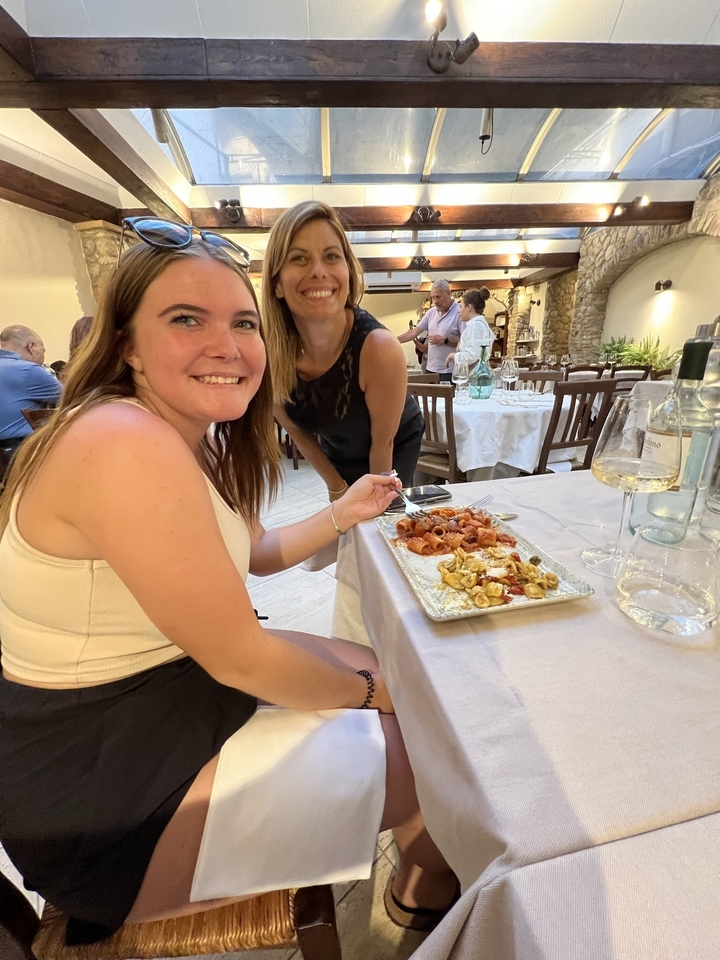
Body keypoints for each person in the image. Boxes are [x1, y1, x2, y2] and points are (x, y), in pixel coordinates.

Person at [0, 228, 457, 946]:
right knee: (435, 733)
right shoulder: (120, 439)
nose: (229, 344)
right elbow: (241, 658)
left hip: (160, 689)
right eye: (187, 319)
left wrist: (342, 511)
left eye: (242, 323)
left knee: (406, 679)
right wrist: (381, 696)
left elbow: (254, 552)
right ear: (125, 343)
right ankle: (424, 880)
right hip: (98, 782)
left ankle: (420, 869)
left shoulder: (190, 431)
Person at [263, 201, 425, 497]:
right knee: (344, 519)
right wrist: (336, 487)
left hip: (392, 443)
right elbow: (297, 431)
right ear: (276, 284)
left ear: (348, 274)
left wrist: (375, 505)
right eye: (299, 258)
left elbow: (382, 444)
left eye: (331, 256)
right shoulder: (269, 355)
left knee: (381, 520)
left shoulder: (378, 348)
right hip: (338, 443)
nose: (318, 271)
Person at [0, 324, 61, 458]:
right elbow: (74, 397)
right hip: (17, 452)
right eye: (43, 350)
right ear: (31, 346)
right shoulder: (28, 370)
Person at [397, 280, 462, 381]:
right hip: (430, 369)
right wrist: (392, 340)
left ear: (448, 293)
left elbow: (465, 342)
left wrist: (445, 340)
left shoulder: (460, 312)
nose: (435, 301)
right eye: (433, 297)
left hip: (450, 371)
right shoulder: (431, 313)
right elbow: (413, 332)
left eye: (438, 297)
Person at [446, 288, 495, 369]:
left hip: (473, 376)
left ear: (469, 307)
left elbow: (472, 355)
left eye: (461, 306)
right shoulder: (480, 325)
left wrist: (453, 356)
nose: (458, 311)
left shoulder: (475, 326)